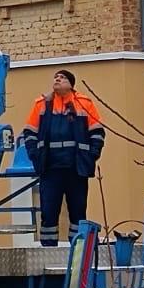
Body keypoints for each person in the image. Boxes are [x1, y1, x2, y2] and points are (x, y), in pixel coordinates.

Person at [21, 69, 105, 247]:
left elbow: (97, 132)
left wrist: (92, 155)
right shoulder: (42, 104)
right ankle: (48, 249)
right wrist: (34, 155)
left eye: (62, 77)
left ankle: (78, 251)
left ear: (71, 84)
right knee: (49, 212)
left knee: (78, 212)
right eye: (55, 77)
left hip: (77, 167)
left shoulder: (84, 103)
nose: (57, 79)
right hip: (50, 168)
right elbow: (29, 133)